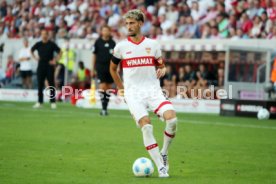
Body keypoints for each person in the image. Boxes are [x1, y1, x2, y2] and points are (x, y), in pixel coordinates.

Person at [109, 9, 177, 178]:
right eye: (127, 24)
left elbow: (161, 65)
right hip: (133, 94)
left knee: (173, 119)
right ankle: (161, 167)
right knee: (146, 126)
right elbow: (112, 68)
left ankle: (164, 152)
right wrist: (121, 88)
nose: (129, 26)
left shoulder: (153, 45)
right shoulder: (121, 47)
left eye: (132, 23)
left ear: (140, 23)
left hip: (153, 91)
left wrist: (164, 68)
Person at [31, 29, 62, 109]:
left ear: (47, 35)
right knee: (40, 84)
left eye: (45, 34)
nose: (44, 35)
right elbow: (31, 50)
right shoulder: (38, 44)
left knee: (51, 84)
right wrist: (35, 57)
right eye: (42, 34)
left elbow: (60, 52)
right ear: (41, 35)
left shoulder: (51, 44)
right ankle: (39, 102)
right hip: (41, 65)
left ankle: (53, 102)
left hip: (49, 66)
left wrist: (55, 60)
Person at [92, 25, 116, 116]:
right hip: (100, 67)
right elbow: (94, 55)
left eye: (107, 30)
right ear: (101, 32)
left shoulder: (113, 43)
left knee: (108, 87)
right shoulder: (98, 42)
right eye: (104, 30)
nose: (105, 32)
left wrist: (117, 67)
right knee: (102, 86)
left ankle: (105, 108)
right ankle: (103, 108)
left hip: (110, 68)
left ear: (110, 32)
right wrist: (92, 68)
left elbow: (116, 57)